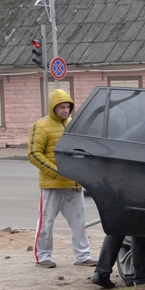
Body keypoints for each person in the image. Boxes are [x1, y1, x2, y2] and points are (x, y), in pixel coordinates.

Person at [28, 89, 96, 268]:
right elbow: (34, 154)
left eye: (67, 107)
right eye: (61, 107)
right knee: (46, 223)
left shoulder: (74, 125)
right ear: (53, 108)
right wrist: (57, 172)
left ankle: (83, 255)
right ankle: (43, 257)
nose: (65, 110)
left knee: (79, 223)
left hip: (74, 184)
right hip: (52, 185)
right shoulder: (40, 126)